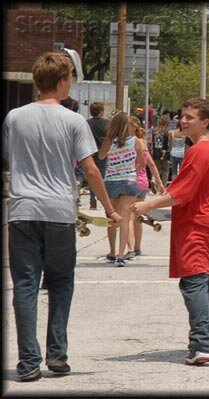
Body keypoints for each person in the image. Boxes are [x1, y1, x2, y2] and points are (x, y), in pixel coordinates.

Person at [2, 51, 121, 382]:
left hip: (22, 210)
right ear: (63, 80)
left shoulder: (14, 117)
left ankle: (27, 362)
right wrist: (109, 209)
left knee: (25, 285)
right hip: (59, 212)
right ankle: (56, 354)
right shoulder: (73, 121)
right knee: (60, 282)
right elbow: (90, 168)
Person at [131, 97, 209, 366]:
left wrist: (146, 205)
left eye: (190, 117)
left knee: (193, 282)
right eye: (182, 115)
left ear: (205, 122)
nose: (183, 120)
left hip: (200, 225)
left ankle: (202, 343)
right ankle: (206, 339)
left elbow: (181, 193)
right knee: (207, 281)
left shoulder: (199, 152)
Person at [98, 112, 146, 267]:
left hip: (111, 180)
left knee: (112, 218)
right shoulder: (135, 141)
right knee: (125, 219)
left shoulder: (109, 141)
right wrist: (133, 170)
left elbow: (100, 156)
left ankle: (112, 252)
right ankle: (120, 255)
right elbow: (142, 163)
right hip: (129, 181)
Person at [125, 116, 166, 260]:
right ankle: (137, 248)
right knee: (137, 216)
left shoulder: (125, 143)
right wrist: (159, 183)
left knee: (129, 217)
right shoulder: (142, 143)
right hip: (143, 183)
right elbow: (152, 165)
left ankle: (129, 249)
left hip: (130, 182)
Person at [87, 102, 110, 209]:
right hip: (103, 152)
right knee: (103, 177)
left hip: (90, 152)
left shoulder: (87, 123)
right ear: (101, 111)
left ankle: (92, 200)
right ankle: (105, 200)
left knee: (92, 177)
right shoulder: (107, 123)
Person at [152, 115, 171, 190]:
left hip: (156, 151)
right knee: (165, 170)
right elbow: (169, 143)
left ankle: (153, 179)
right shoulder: (168, 131)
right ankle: (163, 187)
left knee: (157, 169)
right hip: (165, 152)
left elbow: (151, 141)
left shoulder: (154, 130)